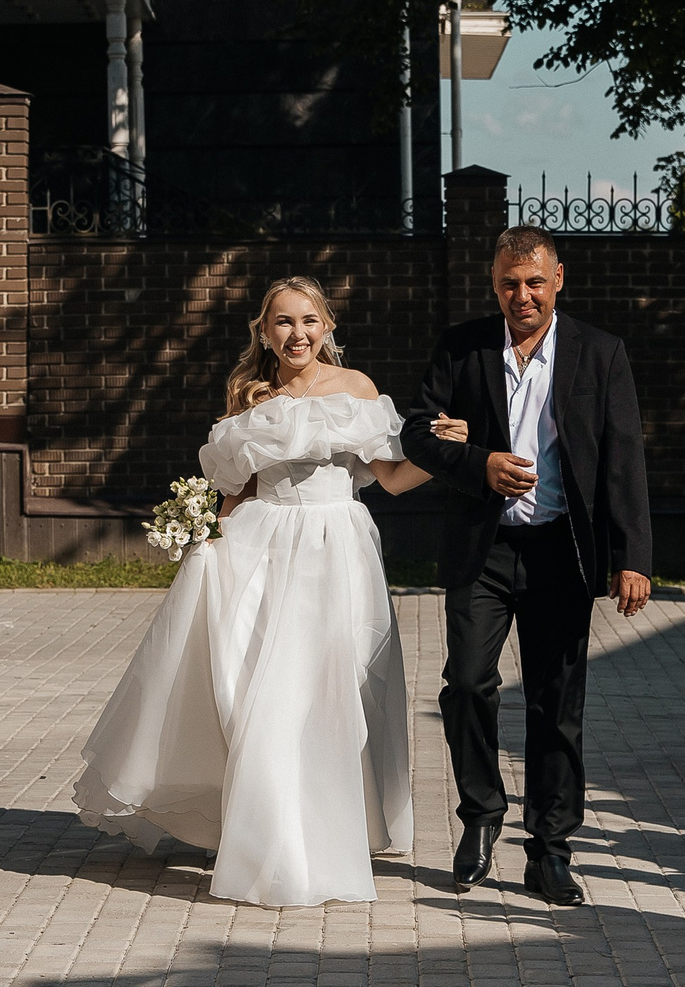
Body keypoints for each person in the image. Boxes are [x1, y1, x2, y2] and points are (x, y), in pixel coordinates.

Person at [75, 277, 433, 906]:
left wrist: (442, 452)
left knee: (335, 690)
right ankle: (273, 847)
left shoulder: (357, 392)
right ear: (264, 333)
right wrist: (206, 535)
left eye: (309, 321)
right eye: (284, 323)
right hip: (263, 546)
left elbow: (395, 481)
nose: (298, 334)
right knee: (269, 695)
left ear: (327, 327)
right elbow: (234, 495)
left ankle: (330, 836)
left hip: (338, 547)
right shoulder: (251, 399)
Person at [401, 228, 653, 908]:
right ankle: (481, 815)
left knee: (555, 704)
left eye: (535, 282)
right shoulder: (464, 347)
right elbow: (416, 431)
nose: (523, 295)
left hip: (561, 553)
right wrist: (477, 462)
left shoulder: (600, 353)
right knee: (467, 684)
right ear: (495, 284)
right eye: (510, 283)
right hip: (482, 551)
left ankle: (550, 851)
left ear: (558, 280)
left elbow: (625, 459)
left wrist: (632, 559)